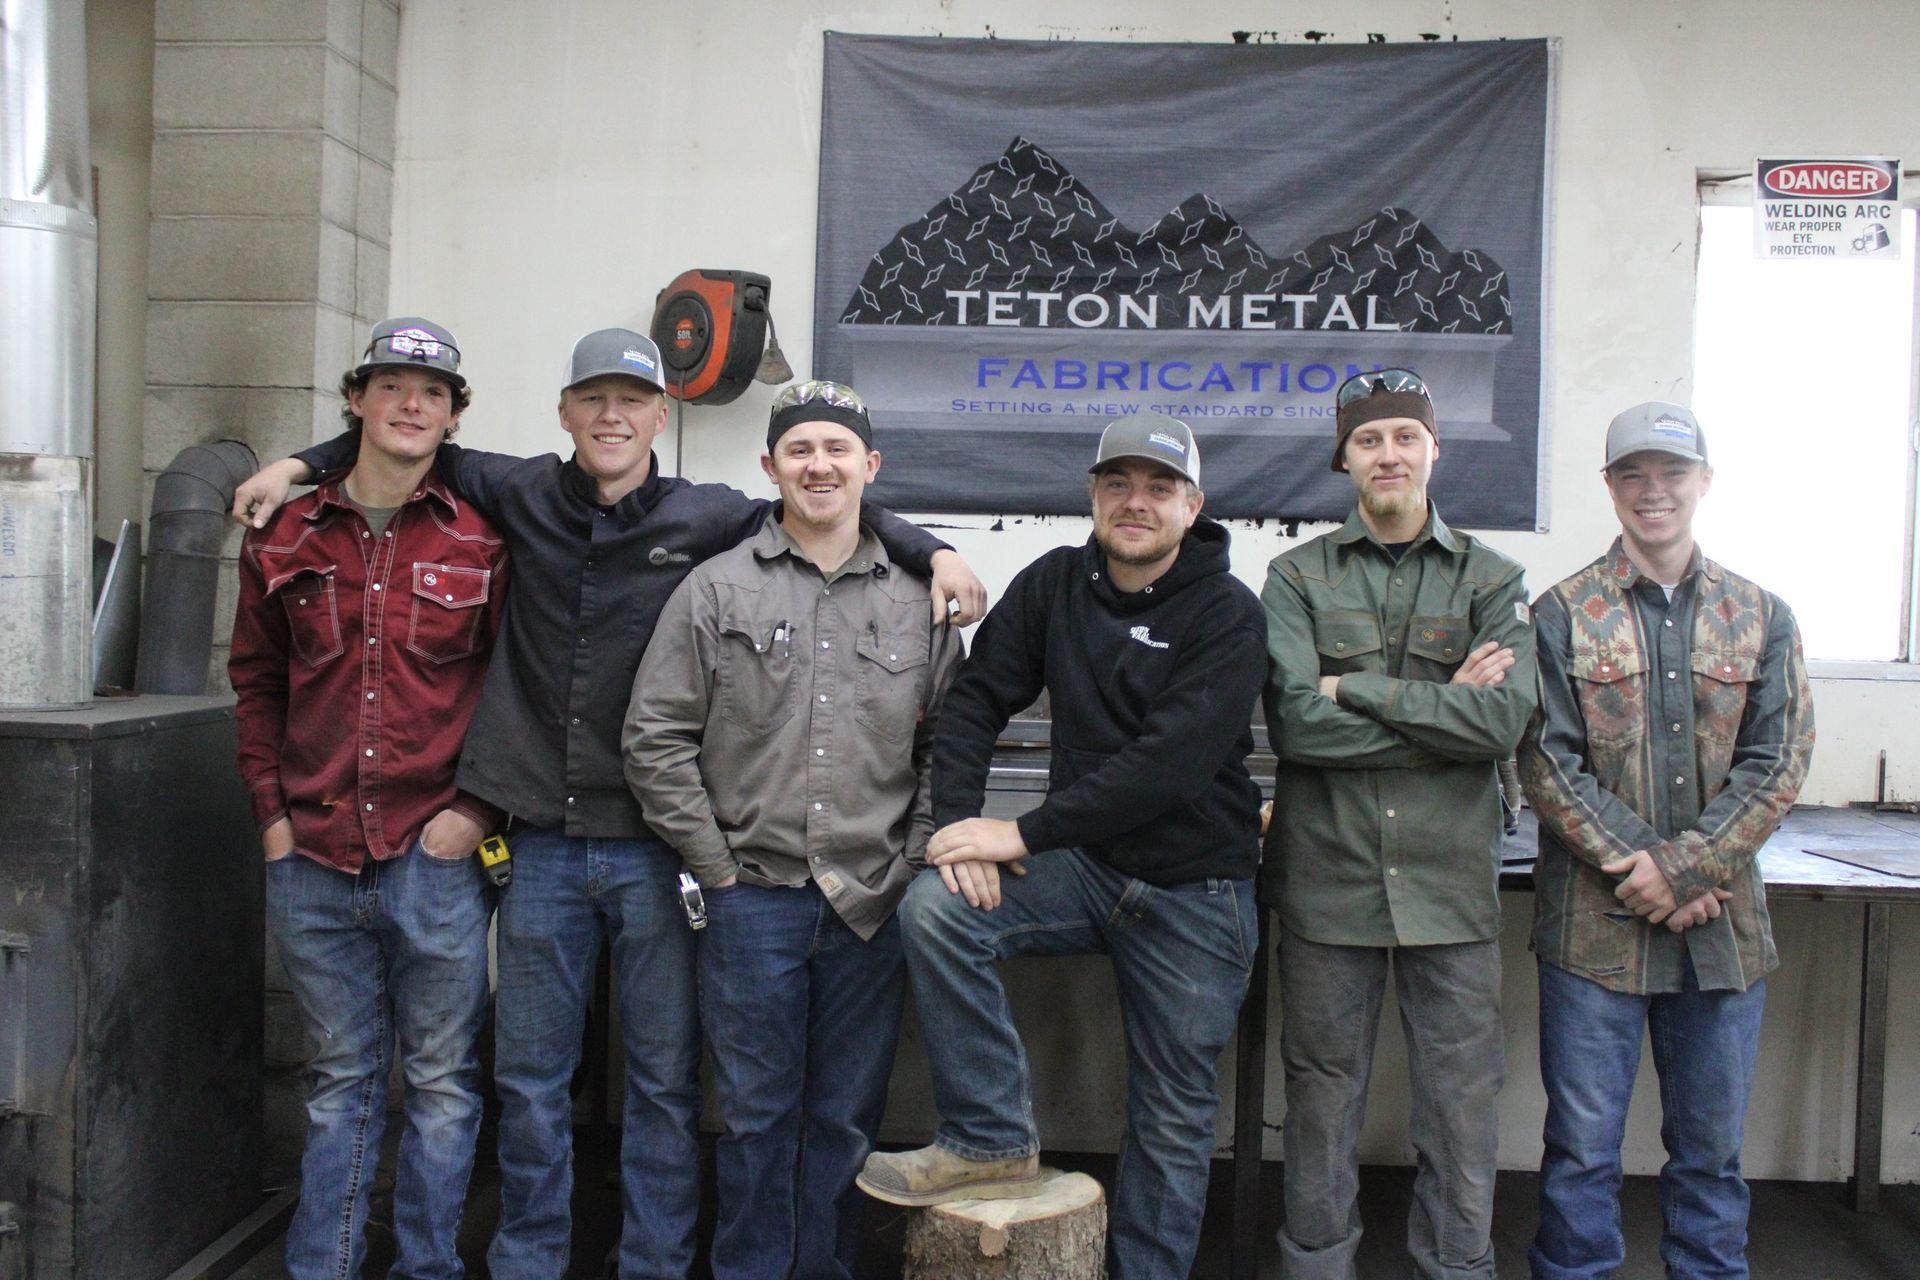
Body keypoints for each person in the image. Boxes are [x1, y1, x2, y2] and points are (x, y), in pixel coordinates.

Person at [231, 330, 986, 1280]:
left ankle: (655, 1266)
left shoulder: (711, 517)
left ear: (661, 417)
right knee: (529, 1080)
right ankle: (527, 1263)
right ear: (564, 413)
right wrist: (298, 463)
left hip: (657, 853)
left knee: (665, 1086)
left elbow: (822, 502)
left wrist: (940, 549)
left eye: (632, 401)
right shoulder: (519, 495)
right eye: (593, 400)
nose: (612, 417)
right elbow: (406, 438)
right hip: (540, 843)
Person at [857, 417, 1267, 1280]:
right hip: (1086, 868)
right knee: (939, 909)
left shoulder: (1228, 612)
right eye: (1118, 483)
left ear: (1192, 507)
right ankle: (990, 1135)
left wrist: (1021, 831)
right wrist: (960, 833)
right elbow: (973, 703)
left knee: (1171, 1114)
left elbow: (1170, 766)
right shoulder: (1054, 584)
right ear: (1092, 496)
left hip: (1196, 894)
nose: (1136, 503)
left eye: (1159, 488)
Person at [624, 381, 962, 1280]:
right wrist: (716, 868)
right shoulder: (715, 589)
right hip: (752, 902)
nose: (820, 465)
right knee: (754, 1119)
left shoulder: (921, 601)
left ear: (870, 467)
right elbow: (654, 738)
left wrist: (916, 857)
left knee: (845, 1120)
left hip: (871, 903)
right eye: (800, 450)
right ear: (770, 467)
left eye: (838, 449)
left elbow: (951, 750)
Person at [229, 316, 507, 1280]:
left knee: (440, 1086)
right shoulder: (283, 535)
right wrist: (270, 815)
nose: (411, 404)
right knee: (338, 1084)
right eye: (391, 386)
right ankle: (325, 1266)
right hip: (309, 854)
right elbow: (256, 685)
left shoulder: (484, 535)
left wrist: (475, 812)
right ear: (357, 401)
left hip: (434, 861)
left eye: (431, 391)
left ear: (453, 415)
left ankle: (426, 1267)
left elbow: (519, 687)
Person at [1519, 402, 1814, 1280]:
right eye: (1634, 475)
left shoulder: (1764, 615)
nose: (1655, 492)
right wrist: (1650, 868)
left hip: (1722, 935)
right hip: (1593, 935)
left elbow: (1782, 757)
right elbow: (1543, 762)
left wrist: (1685, 869)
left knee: (1712, 1158)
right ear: (1609, 488)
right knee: (1581, 1155)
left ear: (1704, 482)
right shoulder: (1561, 612)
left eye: (1673, 473)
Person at [1260, 367, 1536, 1280]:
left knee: (1460, 1101)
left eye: (1405, 437)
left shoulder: (1494, 580)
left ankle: (1457, 1268)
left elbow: (1501, 723)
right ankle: (1315, 1265)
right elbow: (1297, 723)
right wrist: (1439, 711)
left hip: (1450, 883)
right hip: (1328, 879)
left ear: (1433, 450)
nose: (1389, 454)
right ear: (1345, 458)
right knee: (1320, 1094)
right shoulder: (1295, 577)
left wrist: (1364, 692)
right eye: (1369, 440)